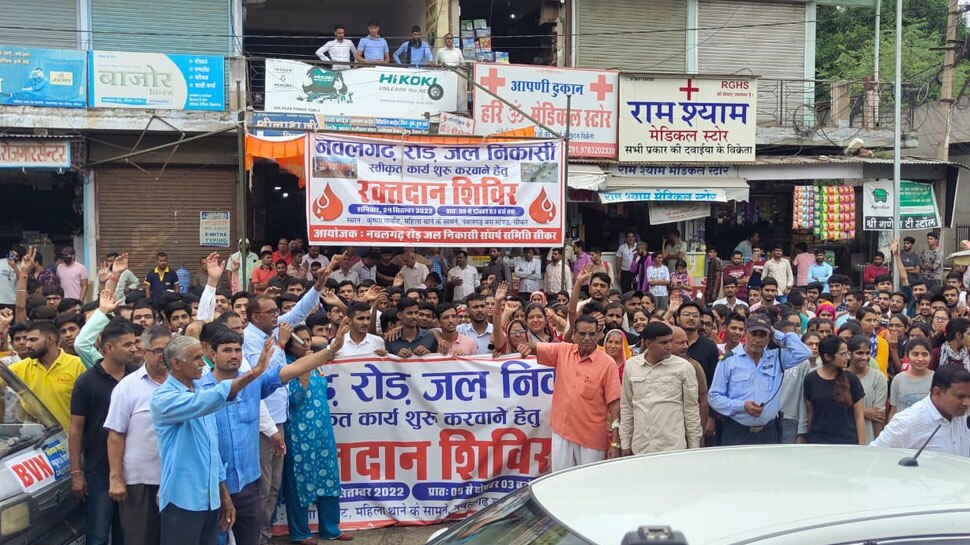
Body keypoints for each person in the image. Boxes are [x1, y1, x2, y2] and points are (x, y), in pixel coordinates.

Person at [201, 325, 347, 545]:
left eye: (238, 350)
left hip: (248, 483)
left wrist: (330, 350)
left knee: (250, 538)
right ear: (212, 354)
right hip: (212, 484)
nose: (234, 355)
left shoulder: (254, 382)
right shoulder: (198, 389)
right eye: (227, 350)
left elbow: (294, 369)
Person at [151, 334, 274, 545]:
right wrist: (254, 373)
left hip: (210, 499)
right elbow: (209, 399)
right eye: (197, 358)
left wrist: (223, 495)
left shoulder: (198, 389)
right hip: (183, 498)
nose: (203, 364)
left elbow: (212, 451)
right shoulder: (164, 398)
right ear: (176, 363)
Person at [69, 319, 140, 545]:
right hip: (99, 468)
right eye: (127, 345)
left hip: (134, 467)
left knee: (127, 533)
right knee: (99, 533)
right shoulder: (87, 381)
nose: (134, 349)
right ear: (109, 348)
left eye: (135, 343)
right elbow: (76, 429)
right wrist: (76, 473)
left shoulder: (138, 377)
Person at [281, 331, 353, 543]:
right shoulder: (286, 365)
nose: (306, 343)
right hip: (299, 433)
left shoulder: (317, 362)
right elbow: (295, 398)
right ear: (289, 345)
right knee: (300, 482)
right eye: (299, 339)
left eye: (308, 338)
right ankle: (300, 532)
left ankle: (331, 528)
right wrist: (304, 368)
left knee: (329, 479)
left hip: (322, 434)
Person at [105, 325, 172, 545]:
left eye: (169, 350)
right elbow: (115, 435)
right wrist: (116, 478)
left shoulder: (185, 383)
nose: (164, 356)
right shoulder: (128, 387)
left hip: (178, 480)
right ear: (143, 351)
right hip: (141, 481)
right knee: (140, 538)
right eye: (159, 350)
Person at [709, 314, 812, 445]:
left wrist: (776, 333)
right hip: (736, 431)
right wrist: (742, 406)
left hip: (768, 432)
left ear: (769, 337)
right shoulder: (728, 360)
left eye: (763, 335)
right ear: (745, 334)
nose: (758, 339)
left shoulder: (777, 358)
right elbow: (714, 397)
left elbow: (804, 352)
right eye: (754, 334)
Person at [535, 315, 621, 470]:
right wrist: (514, 349)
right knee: (560, 482)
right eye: (582, 334)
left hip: (591, 438)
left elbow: (615, 402)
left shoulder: (608, 364)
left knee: (588, 485)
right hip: (562, 431)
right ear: (574, 335)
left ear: (599, 335)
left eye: (592, 334)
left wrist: (615, 441)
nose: (587, 338)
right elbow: (533, 348)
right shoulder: (563, 351)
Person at [619, 322, 701, 455]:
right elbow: (627, 407)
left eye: (670, 341)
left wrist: (694, 447)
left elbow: (691, 409)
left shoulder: (683, 367)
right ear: (648, 343)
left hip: (673, 447)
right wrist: (625, 444)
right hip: (641, 446)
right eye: (663, 343)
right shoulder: (631, 366)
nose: (669, 346)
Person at [870, 364, 970, 455]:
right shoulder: (908, 422)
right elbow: (875, 455)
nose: (967, 403)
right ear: (937, 392)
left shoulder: (961, 415)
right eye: (960, 397)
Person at [9, 320, 85, 430]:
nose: (27, 345)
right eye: (27, 340)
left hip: (71, 440)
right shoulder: (20, 368)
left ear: (50, 339)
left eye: (33, 340)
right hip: (37, 442)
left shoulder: (78, 365)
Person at [801, 336, 866, 445]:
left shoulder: (851, 379)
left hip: (847, 442)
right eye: (842, 354)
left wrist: (861, 446)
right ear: (827, 356)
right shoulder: (811, 379)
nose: (847, 357)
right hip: (819, 441)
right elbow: (810, 413)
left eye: (847, 353)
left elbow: (859, 416)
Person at [846, 335, 888, 443]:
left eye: (867, 353)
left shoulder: (878, 378)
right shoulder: (841, 377)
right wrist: (864, 412)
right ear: (849, 354)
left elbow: (878, 415)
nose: (864, 357)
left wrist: (878, 442)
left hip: (868, 437)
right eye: (859, 353)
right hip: (843, 435)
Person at [888, 338, 934, 421]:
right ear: (907, 356)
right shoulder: (898, 379)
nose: (920, 359)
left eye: (924, 354)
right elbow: (893, 410)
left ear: (930, 356)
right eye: (915, 354)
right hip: (902, 429)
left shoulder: (936, 379)